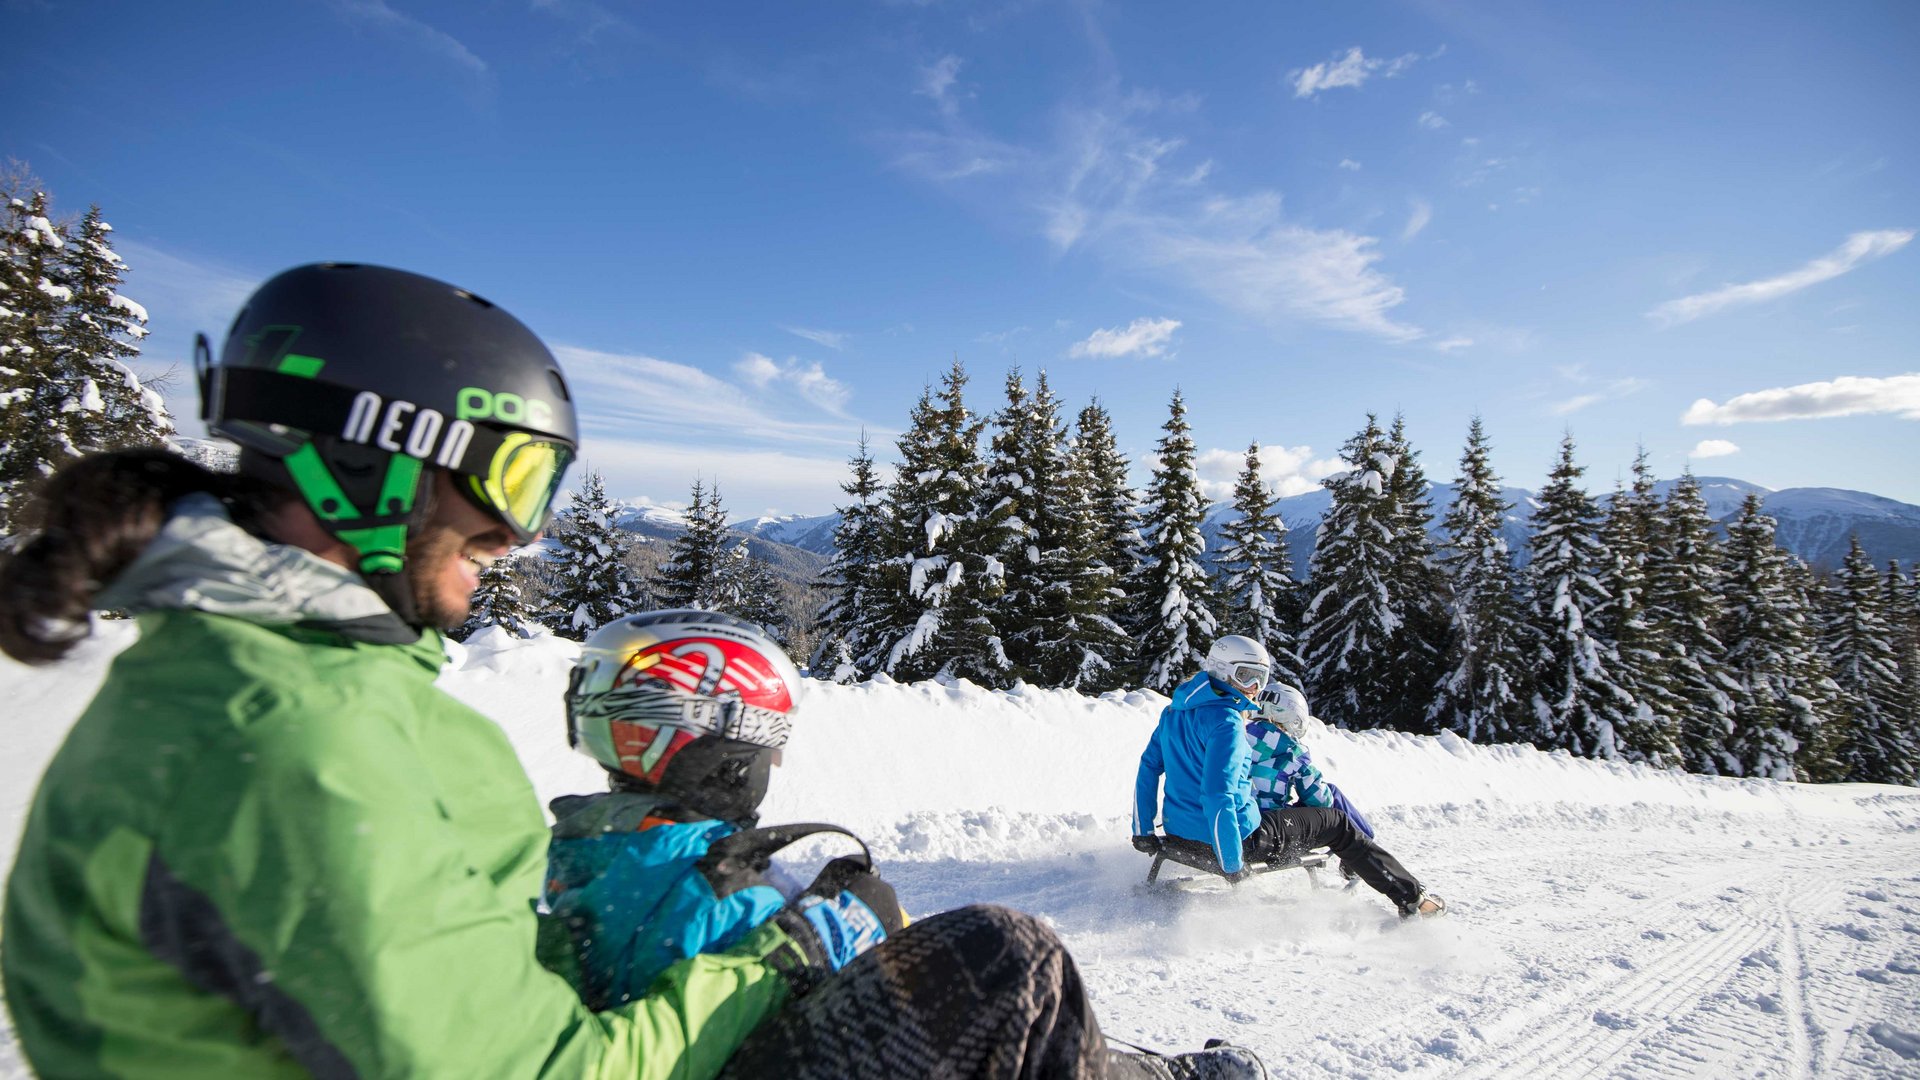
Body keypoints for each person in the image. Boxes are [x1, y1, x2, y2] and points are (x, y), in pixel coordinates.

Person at [0, 262, 1264, 1079]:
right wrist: (755, 967)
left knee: (976, 994)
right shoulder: (284, 737)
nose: (518, 536)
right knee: (1001, 960)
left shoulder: (268, 693)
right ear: (380, 461)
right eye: (509, 479)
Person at [542, 608, 900, 1011]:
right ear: (720, 741)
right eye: (770, 732)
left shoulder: (590, 840)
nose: (774, 759)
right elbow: (827, 1003)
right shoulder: (717, 888)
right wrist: (856, 924)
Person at [1132, 635, 1445, 919]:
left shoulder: (1173, 712)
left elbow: (1148, 768)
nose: (1254, 687)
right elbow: (1218, 795)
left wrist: (1143, 830)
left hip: (1179, 834)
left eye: (1261, 678)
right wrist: (1232, 863)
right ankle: (1413, 899)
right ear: (1222, 670)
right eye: (1246, 676)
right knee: (1338, 823)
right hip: (1238, 841)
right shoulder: (1226, 723)